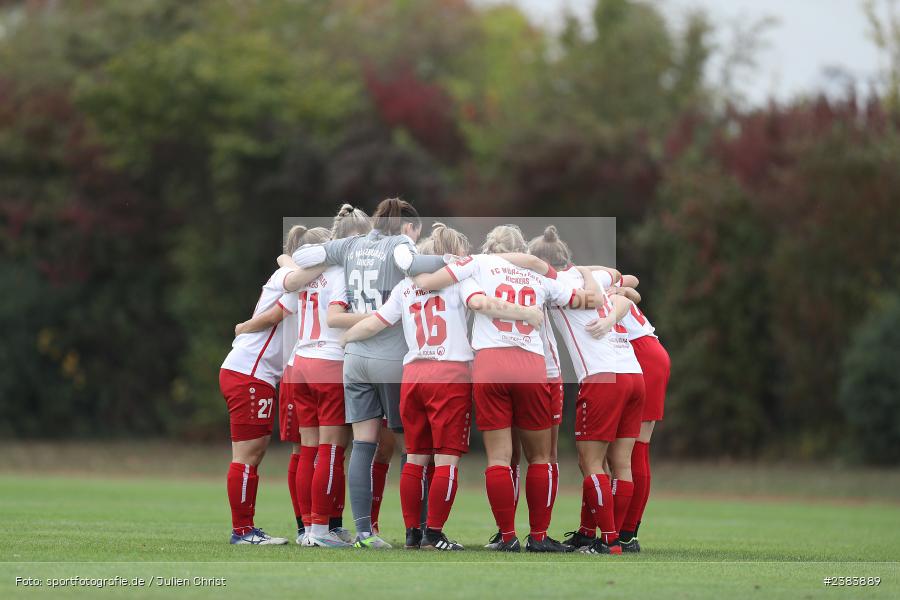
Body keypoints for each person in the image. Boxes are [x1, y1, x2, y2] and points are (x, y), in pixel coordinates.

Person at [341, 223, 544, 551]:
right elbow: (480, 303)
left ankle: (413, 533)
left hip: (413, 376)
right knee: (446, 459)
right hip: (449, 376)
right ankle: (434, 534)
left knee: (415, 458)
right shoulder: (460, 279)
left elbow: (375, 322)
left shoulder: (406, 287)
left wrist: (345, 339)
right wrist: (525, 313)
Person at [413, 224, 601, 553]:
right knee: (541, 456)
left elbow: (428, 282)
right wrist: (585, 278)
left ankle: (507, 536)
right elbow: (586, 300)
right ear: (522, 248)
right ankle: (539, 537)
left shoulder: (476, 264)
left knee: (499, 458)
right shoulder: (539, 274)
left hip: (489, 364)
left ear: (489, 246)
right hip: (530, 365)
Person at [290, 198, 447, 548]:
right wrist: (454, 261)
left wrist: (318, 259)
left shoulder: (351, 244)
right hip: (390, 356)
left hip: (354, 358)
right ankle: (418, 532)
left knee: (362, 443)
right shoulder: (400, 243)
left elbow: (303, 257)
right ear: (409, 227)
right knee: (414, 447)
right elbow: (409, 262)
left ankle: (363, 532)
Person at [527, 225, 643, 555]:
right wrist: (584, 271)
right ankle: (618, 538)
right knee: (621, 463)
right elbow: (623, 276)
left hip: (602, 376)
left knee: (590, 463)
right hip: (633, 371)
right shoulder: (584, 276)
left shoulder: (549, 283)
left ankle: (607, 541)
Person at [220, 243, 326, 544]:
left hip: (251, 374)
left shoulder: (306, 281)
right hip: (250, 374)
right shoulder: (287, 276)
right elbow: (289, 279)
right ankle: (242, 531)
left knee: (251, 454)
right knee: (248, 454)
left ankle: (245, 528)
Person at [612, 276, 671, 553]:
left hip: (641, 355)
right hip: (649, 351)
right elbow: (633, 285)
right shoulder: (596, 275)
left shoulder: (580, 279)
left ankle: (626, 533)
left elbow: (632, 287)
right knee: (636, 448)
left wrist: (621, 290)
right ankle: (627, 532)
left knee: (633, 449)